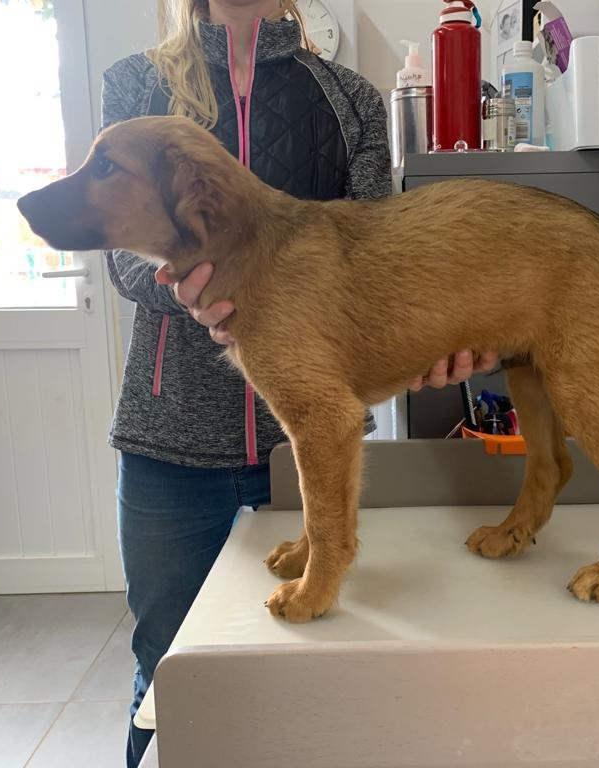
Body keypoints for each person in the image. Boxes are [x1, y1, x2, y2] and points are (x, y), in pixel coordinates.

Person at [100, 1, 497, 764]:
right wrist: (191, 288)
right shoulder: (136, 86)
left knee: (312, 685)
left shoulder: (348, 96)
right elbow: (122, 252)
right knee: (167, 676)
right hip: (169, 447)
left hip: (308, 454)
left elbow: (383, 259)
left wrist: (439, 338)